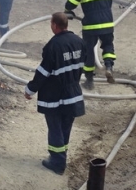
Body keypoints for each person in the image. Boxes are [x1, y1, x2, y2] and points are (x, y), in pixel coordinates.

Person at [24, 12, 88, 175]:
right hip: (73, 93)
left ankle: (57, 163)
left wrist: (30, 89)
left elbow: (43, 72)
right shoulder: (79, 42)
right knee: (66, 126)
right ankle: (61, 156)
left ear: (54, 25)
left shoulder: (53, 46)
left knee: (55, 128)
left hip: (55, 96)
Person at [64, 0, 116, 90]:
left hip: (91, 25)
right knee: (108, 45)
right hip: (107, 22)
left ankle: (89, 81)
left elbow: (71, 3)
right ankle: (109, 67)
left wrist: (67, 12)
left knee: (88, 50)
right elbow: (109, 3)